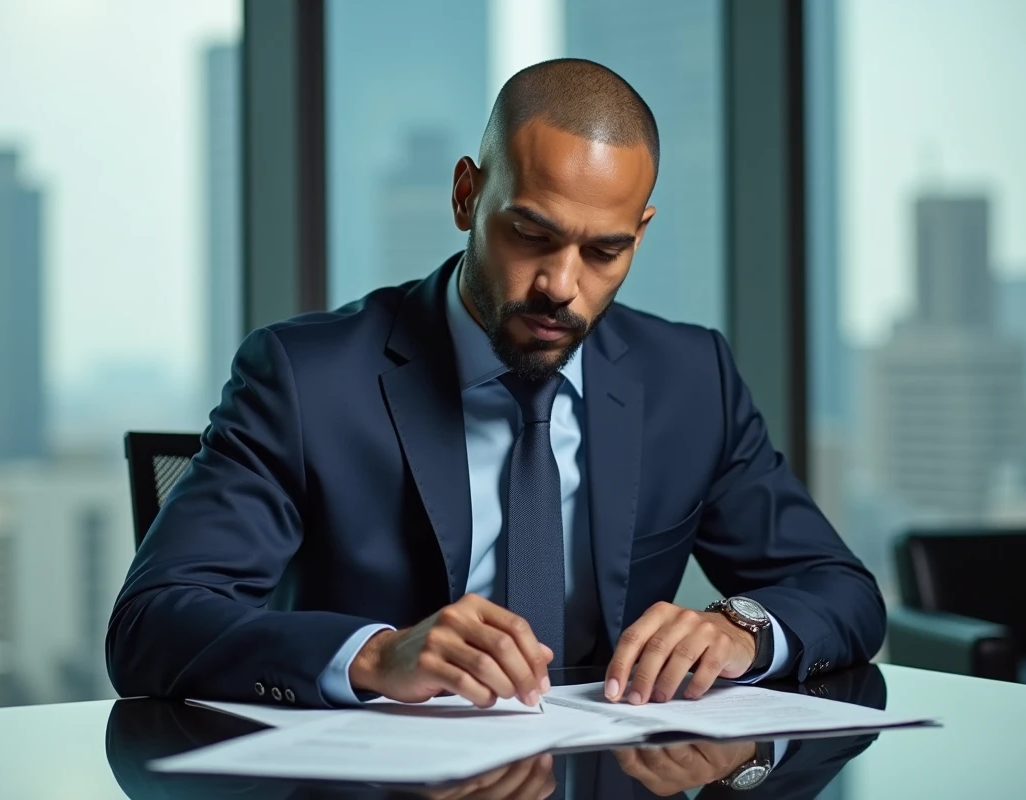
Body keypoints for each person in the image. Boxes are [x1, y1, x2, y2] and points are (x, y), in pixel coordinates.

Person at [107, 58, 884, 712]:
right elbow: (153, 621)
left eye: (604, 252)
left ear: (640, 233)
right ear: (465, 197)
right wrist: (373, 655)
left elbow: (839, 589)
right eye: (531, 235)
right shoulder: (306, 379)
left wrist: (741, 626)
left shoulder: (689, 379)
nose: (561, 287)